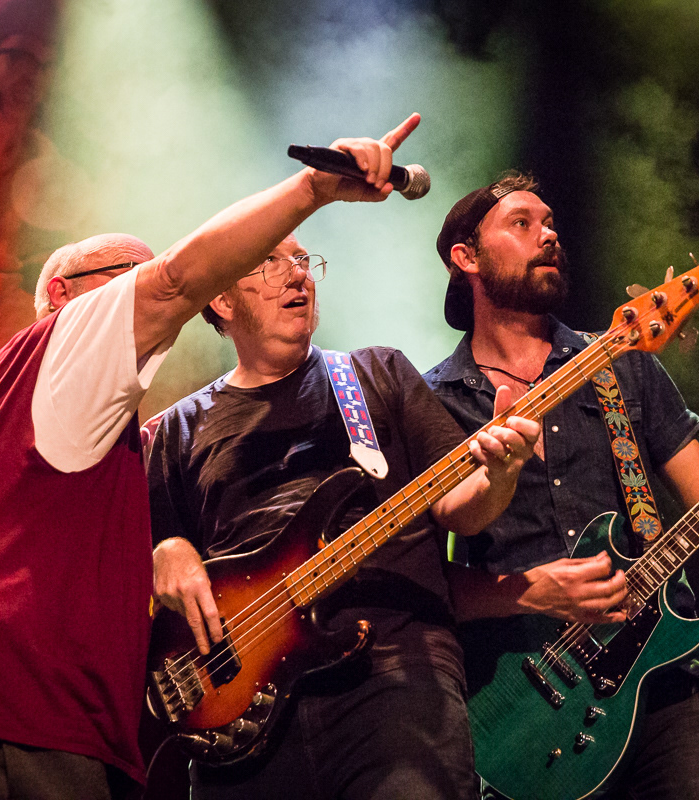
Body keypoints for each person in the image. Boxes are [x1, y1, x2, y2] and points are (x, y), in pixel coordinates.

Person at [0, 114, 423, 800]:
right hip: (4, 716)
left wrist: (163, 551)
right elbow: (177, 282)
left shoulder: (46, 412)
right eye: (128, 277)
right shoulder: (67, 341)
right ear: (62, 295)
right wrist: (312, 190)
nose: (153, 302)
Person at [422, 172, 699, 800]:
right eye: (521, 223)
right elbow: (423, 585)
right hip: (524, 705)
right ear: (466, 257)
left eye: (550, 223)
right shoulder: (432, 401)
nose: (548, 235)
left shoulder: (620, 362)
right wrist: (527, 593)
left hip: (666, 674)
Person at [147, 233, 542, 800]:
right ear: (222, 300)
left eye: (302, 260)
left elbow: (460, 507)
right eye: (269, 261)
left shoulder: (376, 373)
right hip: (236, 699)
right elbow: (151, 552)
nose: (298, 274)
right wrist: (166, 552)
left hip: (390, 672)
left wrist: (501, 473)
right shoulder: (179, 427)